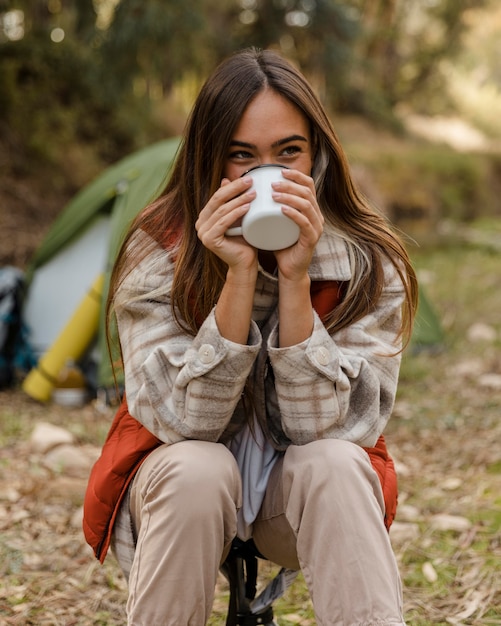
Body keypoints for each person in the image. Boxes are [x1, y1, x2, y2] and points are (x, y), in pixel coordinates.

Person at [83, 47, 418, 625]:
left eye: (289, 152)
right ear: (210, 161)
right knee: (196, 468)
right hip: (180, 497)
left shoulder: (368, 259)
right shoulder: (158, 250)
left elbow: (333, 430)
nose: (271, 175)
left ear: (318, 156)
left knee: (336, 464)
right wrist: (237, 273)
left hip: (297, 502)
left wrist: (295, 278)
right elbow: (184, 426)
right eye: (244, 157)